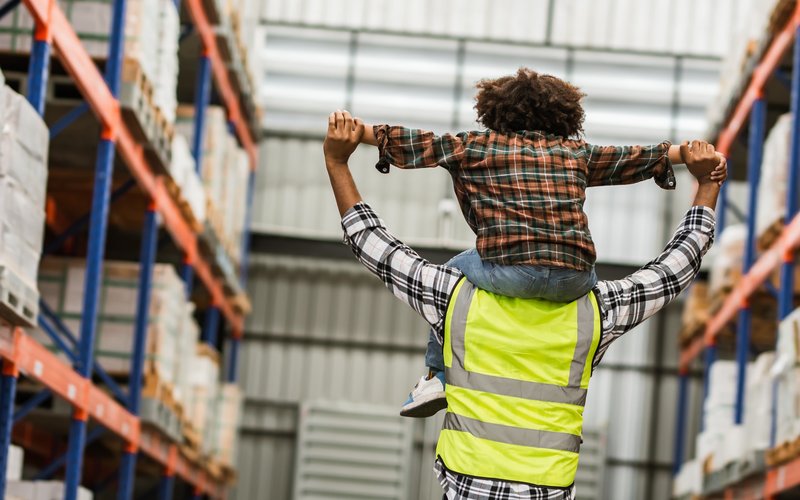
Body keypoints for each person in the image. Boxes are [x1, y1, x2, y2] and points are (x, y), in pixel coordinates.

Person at [323, 110, 723, 499]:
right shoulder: (594, 314)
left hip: (467, 483)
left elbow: (372, 243)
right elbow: (674, 271)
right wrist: (706, 185)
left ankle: (435, 377)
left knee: (460, 263)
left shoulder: (455, 297)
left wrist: (338, 162)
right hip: (548, 486)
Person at [357, 68, 725, 416]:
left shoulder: (474, 147)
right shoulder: (577, 153)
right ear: (565, 119)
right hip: (575, 279)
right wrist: (691, 153)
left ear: (492, 114)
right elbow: (634, 158)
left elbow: (418, 144)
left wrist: (357, 132)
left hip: (509, 271)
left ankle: (435, 376)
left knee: (454, 268)